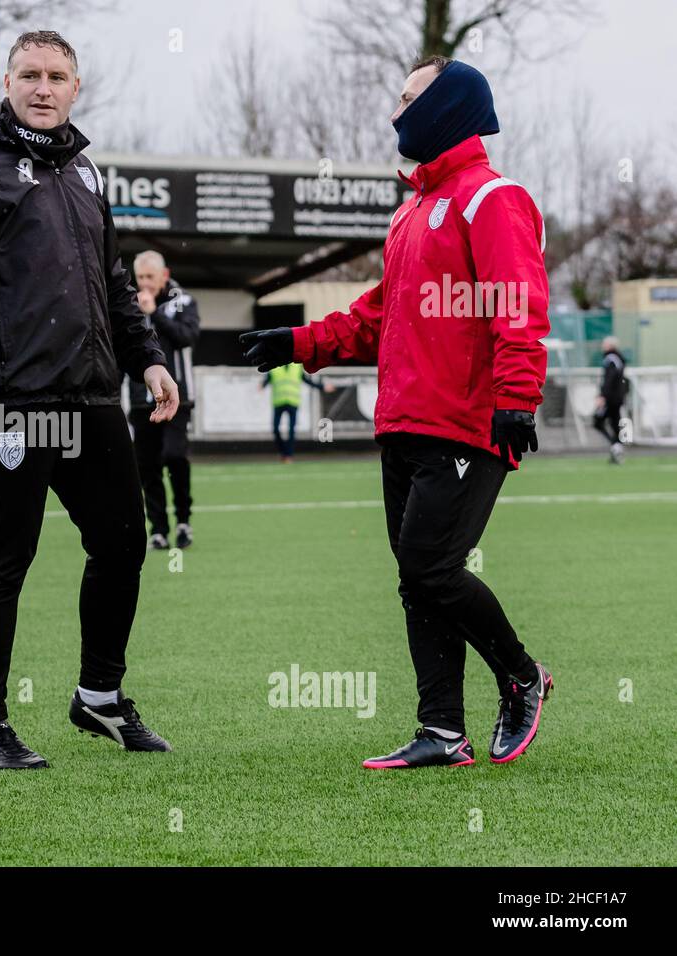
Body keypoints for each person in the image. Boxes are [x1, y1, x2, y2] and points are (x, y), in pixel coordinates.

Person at [240, 56, 553, 769]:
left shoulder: (492, 197)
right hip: (405, 423)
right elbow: (379, 316)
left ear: (448, 106)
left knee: (431, 569)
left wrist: (515, 398)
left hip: (467, 424)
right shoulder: (412, 209)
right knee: (417, 579)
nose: (394, 114)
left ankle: (523, 676)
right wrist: (299, 342)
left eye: (408, 99)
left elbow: (519, 304)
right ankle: (442, 732)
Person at [0, 30, 179, 770]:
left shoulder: (86, 173)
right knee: (4, 561)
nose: (43, 88)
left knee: (121, 543)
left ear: (76, 87)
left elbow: (113, 284)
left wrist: (146, 358)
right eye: (29, 75)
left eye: (57, 76)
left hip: (91, 399)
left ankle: (100, 698)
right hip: (10, 402)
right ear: (8, 81)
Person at [126, 251, 200, 549]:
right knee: (147, 465)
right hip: (140, 401)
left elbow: (187, 336)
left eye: (149, 277)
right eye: (140, 277)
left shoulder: (183, 302)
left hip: (177, 399)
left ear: (164, 276)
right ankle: (158, 528)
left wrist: (154, 312)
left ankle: (183, 520)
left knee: (174, 456)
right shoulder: (128, 305)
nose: (144, 283)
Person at [260, 360, 333, 462]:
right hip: (278, 402)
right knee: (276, 430)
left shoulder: (297, 367)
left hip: (292, 402)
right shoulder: (274, 366)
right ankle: (283, 452)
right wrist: (262, 385)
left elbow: (308, 381)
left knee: (291, 431)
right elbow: (267, 379)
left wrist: (322, 387)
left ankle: (288, 455)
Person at [593, 335, 628, 463]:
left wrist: (602, 396)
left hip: (610, 398)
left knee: (597, 421)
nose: (603, 346)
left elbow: (609, 379)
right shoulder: (618, 359)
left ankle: (615, 446)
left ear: (610, 346)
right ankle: (617, 447)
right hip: (617, 398)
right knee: (615, 423)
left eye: (604, 344)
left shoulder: (610, 359)